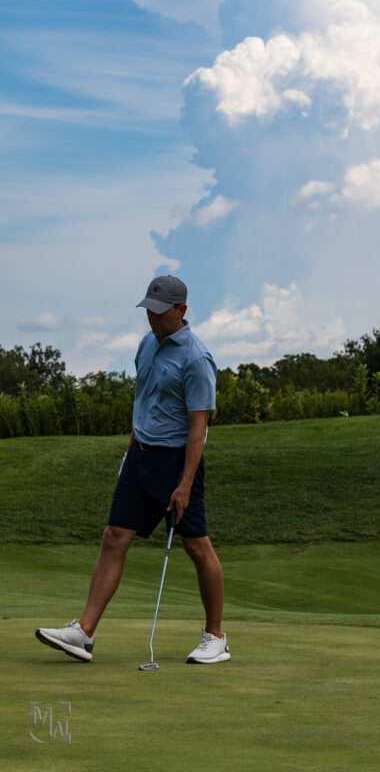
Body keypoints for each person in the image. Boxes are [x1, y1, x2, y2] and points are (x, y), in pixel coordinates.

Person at [35, 275, 229, 665]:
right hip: (140, 456)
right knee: (113, 537)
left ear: (181, 311)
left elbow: (198, 428)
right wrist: (130, 452)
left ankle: (215, 637)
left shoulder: (196, 358)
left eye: (160, 312)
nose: (152, 318)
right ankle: (84, 633)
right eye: (148, 311)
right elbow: (144, 401)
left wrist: (185, 484)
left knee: (196, 545)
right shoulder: (146, 344)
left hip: (175, 463)